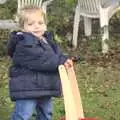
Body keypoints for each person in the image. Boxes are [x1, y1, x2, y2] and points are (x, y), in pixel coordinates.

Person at [7, 6, 73, 120]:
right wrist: (60, 61)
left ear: (45, 24)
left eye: (40, 23)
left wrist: (64, 59)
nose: (36, 26)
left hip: (45, 85)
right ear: (23, 28)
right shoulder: (24, 44)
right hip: (27, 87)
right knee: (23, 114)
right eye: (31, 24)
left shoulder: (46, 40)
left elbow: (55, 55)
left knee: (46, 114)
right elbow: (43, 60)